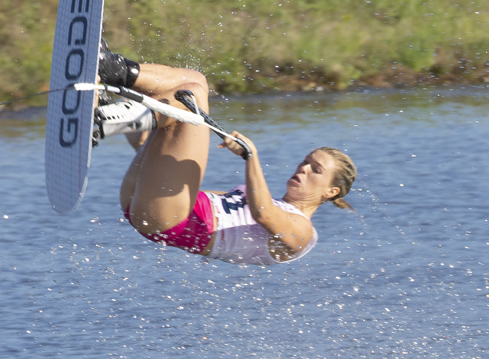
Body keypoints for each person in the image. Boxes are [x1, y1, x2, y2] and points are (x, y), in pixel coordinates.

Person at [95, 43, 357, 266]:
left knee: (194, 96)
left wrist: (251, 158)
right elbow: (170, 180)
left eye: (316, 170)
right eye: (305, 161)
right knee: (193, 82)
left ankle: (105, 118)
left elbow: (262, 213)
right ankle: (110, 74)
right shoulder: (269, 200)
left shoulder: (302, 232)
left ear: (330, 192)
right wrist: (149, 139)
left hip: (170, 222)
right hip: (147, 204)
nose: (303, 168)